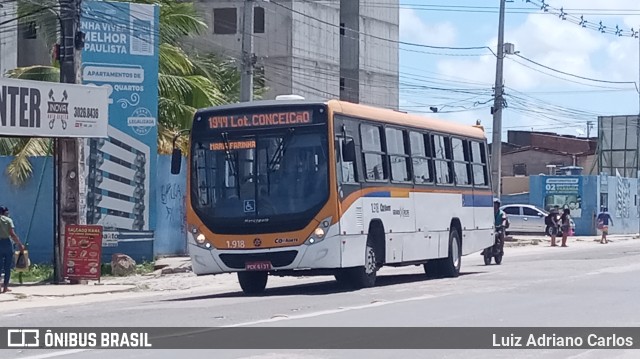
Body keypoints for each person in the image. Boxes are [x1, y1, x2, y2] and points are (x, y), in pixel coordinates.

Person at [0, 206, 25, 293]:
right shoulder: (8, 220)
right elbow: (12, 234)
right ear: (4, 212)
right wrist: (20, 244)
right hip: (7, 243)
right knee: (7, 266)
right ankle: (5, 287)